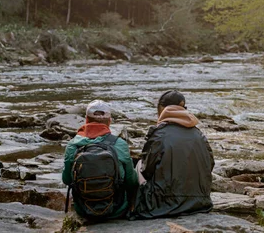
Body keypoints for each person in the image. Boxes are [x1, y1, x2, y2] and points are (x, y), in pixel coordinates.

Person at [131, 90, 214, 219]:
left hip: (163, 205)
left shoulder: (159, 134)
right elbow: (210, 164)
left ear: (162, 109)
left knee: (138, 165)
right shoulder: (199, 134)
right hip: (201, 202)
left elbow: (147, 170)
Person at [62, 100, 138, 220]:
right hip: (117, 209)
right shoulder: (119, 144)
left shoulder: (73, 145)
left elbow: (66, 180)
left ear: (86, 120)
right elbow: (131, 182)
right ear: (109, 121)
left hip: (84, 211)